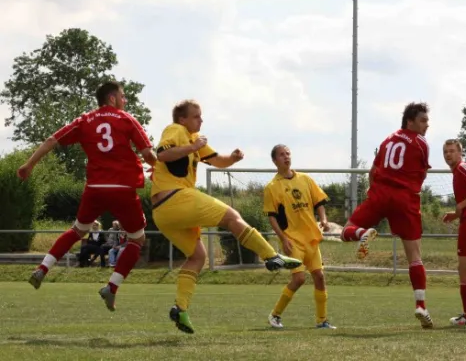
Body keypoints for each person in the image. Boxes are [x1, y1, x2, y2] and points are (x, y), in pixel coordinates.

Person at [150, 99, 302, 334]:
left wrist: (232, 158)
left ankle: (180, 308)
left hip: (163, 213)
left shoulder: (193, 140)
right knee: (232, 216)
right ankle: (271, 256)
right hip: (175, 199)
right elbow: (162, 155)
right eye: (196, 116)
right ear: (182, 119)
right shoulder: (176, 130)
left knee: (197, 257)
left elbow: (216, 161)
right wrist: (193, 147)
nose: (201, 120)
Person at [18, 81, 157, 312]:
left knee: (77, 230)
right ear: (112, 98)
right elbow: (147, 155)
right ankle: (111, 288)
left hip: (95, 188)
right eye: (123, 97)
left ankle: (43, 268)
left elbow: (52, 140)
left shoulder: (85, 120)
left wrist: (29, 164)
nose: (125, 101)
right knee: (136, 240)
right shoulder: (127, 119)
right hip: (123, 189)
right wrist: (160, 164)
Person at [339, 102, 433, 328]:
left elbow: (373, 172)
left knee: (345, 231)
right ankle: (420, 305)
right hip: (405, 199)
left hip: (380, 194)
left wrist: (376, 194)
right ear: (409, 121)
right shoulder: (420, 143)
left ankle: (363, 232)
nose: (426, 125)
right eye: (422, 120)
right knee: (415, 256)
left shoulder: (386, 140)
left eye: (427, 121)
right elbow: (421, 177)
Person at [264, 144, 336, 330]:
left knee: (319, 277)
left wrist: (324, 220)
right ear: (274, 160)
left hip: (311, 238)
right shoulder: (272, 187)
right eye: (281, 155)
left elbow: (319, 202)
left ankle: (322, 321)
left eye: (288, 153)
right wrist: (283, 239)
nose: (286, 157)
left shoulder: (305, 179)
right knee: (299, 279)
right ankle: (275, 315)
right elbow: (272, 217)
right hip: (293, 240)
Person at [441, 139, 466, 326]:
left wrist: (461, 206)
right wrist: (456, 214)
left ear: (460, 153)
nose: (448, 154)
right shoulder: (459, 171)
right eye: (446, 152)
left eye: (452, 151)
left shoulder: (463, 168)